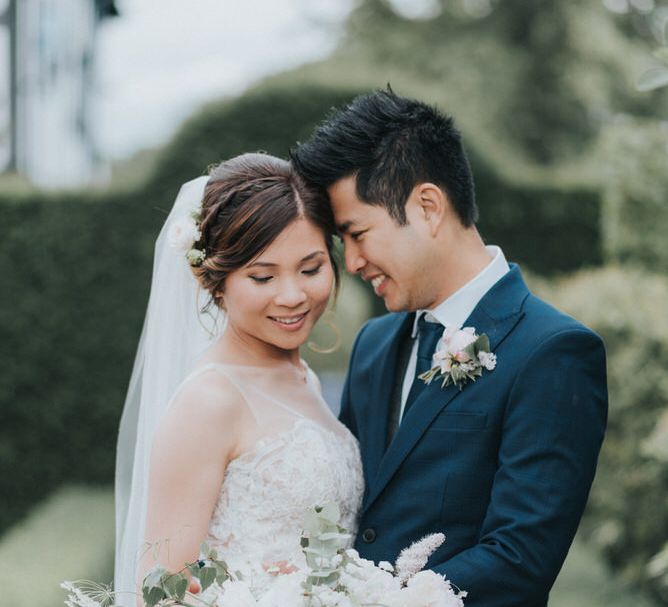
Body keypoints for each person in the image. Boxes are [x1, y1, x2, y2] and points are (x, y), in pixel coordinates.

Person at [291, 90, 608, 606]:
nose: (351, 263)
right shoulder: (373, 344)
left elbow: (520, 556)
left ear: (428, 207)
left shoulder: (554, 351)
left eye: (358, 234)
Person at [114, 153, 363, 606]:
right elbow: (159, 590)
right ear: (214, 279)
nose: (293, 296)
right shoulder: (210, 400)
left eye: (311, 269)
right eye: (263, 276)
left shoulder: (301, 378)